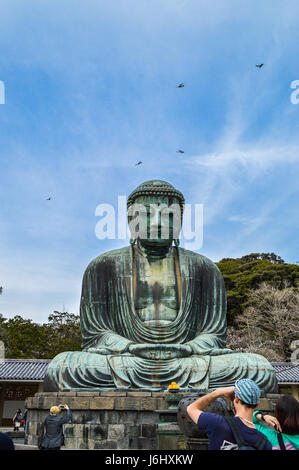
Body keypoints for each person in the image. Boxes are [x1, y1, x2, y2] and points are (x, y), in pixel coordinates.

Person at [187, 378, 272, 450]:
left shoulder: (217, 423)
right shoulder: (264, 442)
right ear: (257, 405)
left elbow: (191, 408)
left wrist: (217, 393)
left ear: (236, 398)